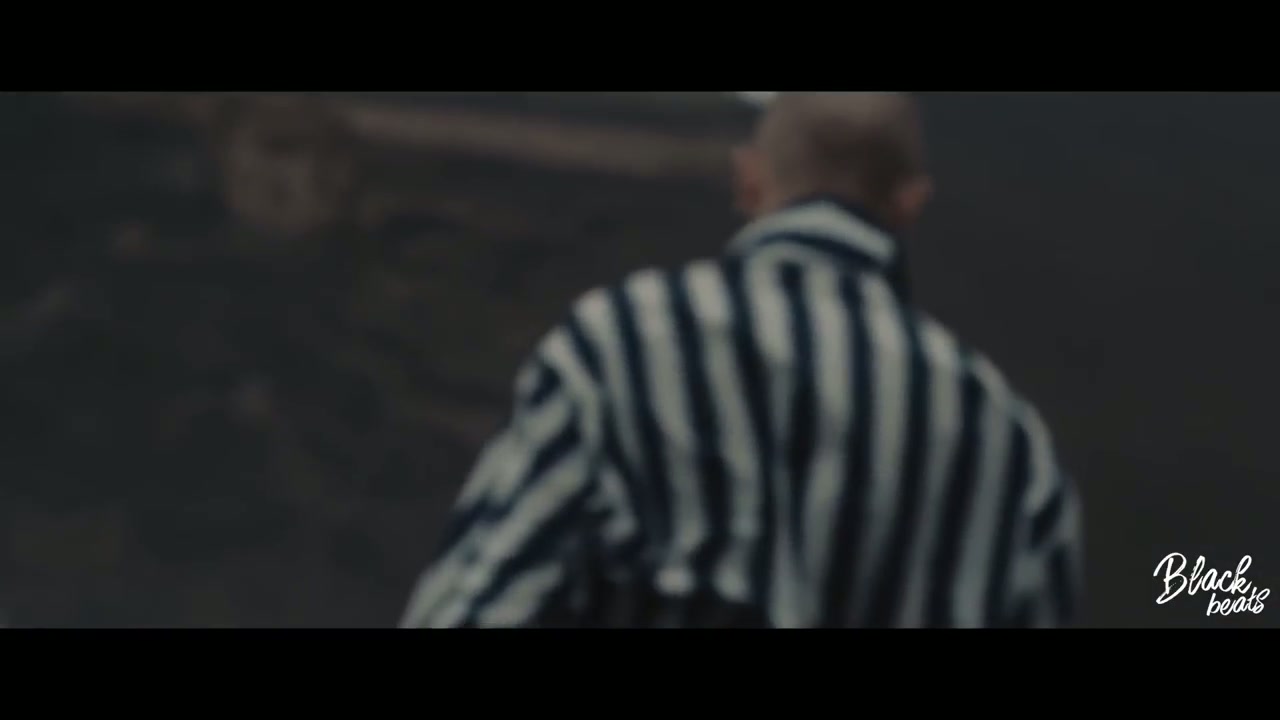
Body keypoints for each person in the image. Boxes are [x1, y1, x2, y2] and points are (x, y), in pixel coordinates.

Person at [399, 92, 1083, 628]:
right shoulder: (1007, 443)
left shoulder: (626, 346)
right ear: (909, 204)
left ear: (749, 180)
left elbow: (477, 605)